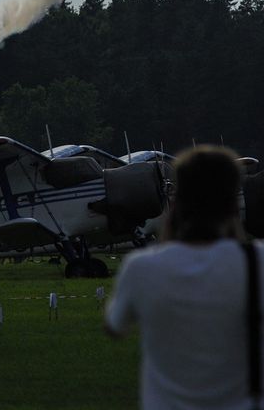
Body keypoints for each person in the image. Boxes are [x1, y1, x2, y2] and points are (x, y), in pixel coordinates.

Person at [106, 145, 263, 409]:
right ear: (232, 201)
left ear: (178, 200)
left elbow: (115, 326)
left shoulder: (142, 267)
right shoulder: (257, 261)